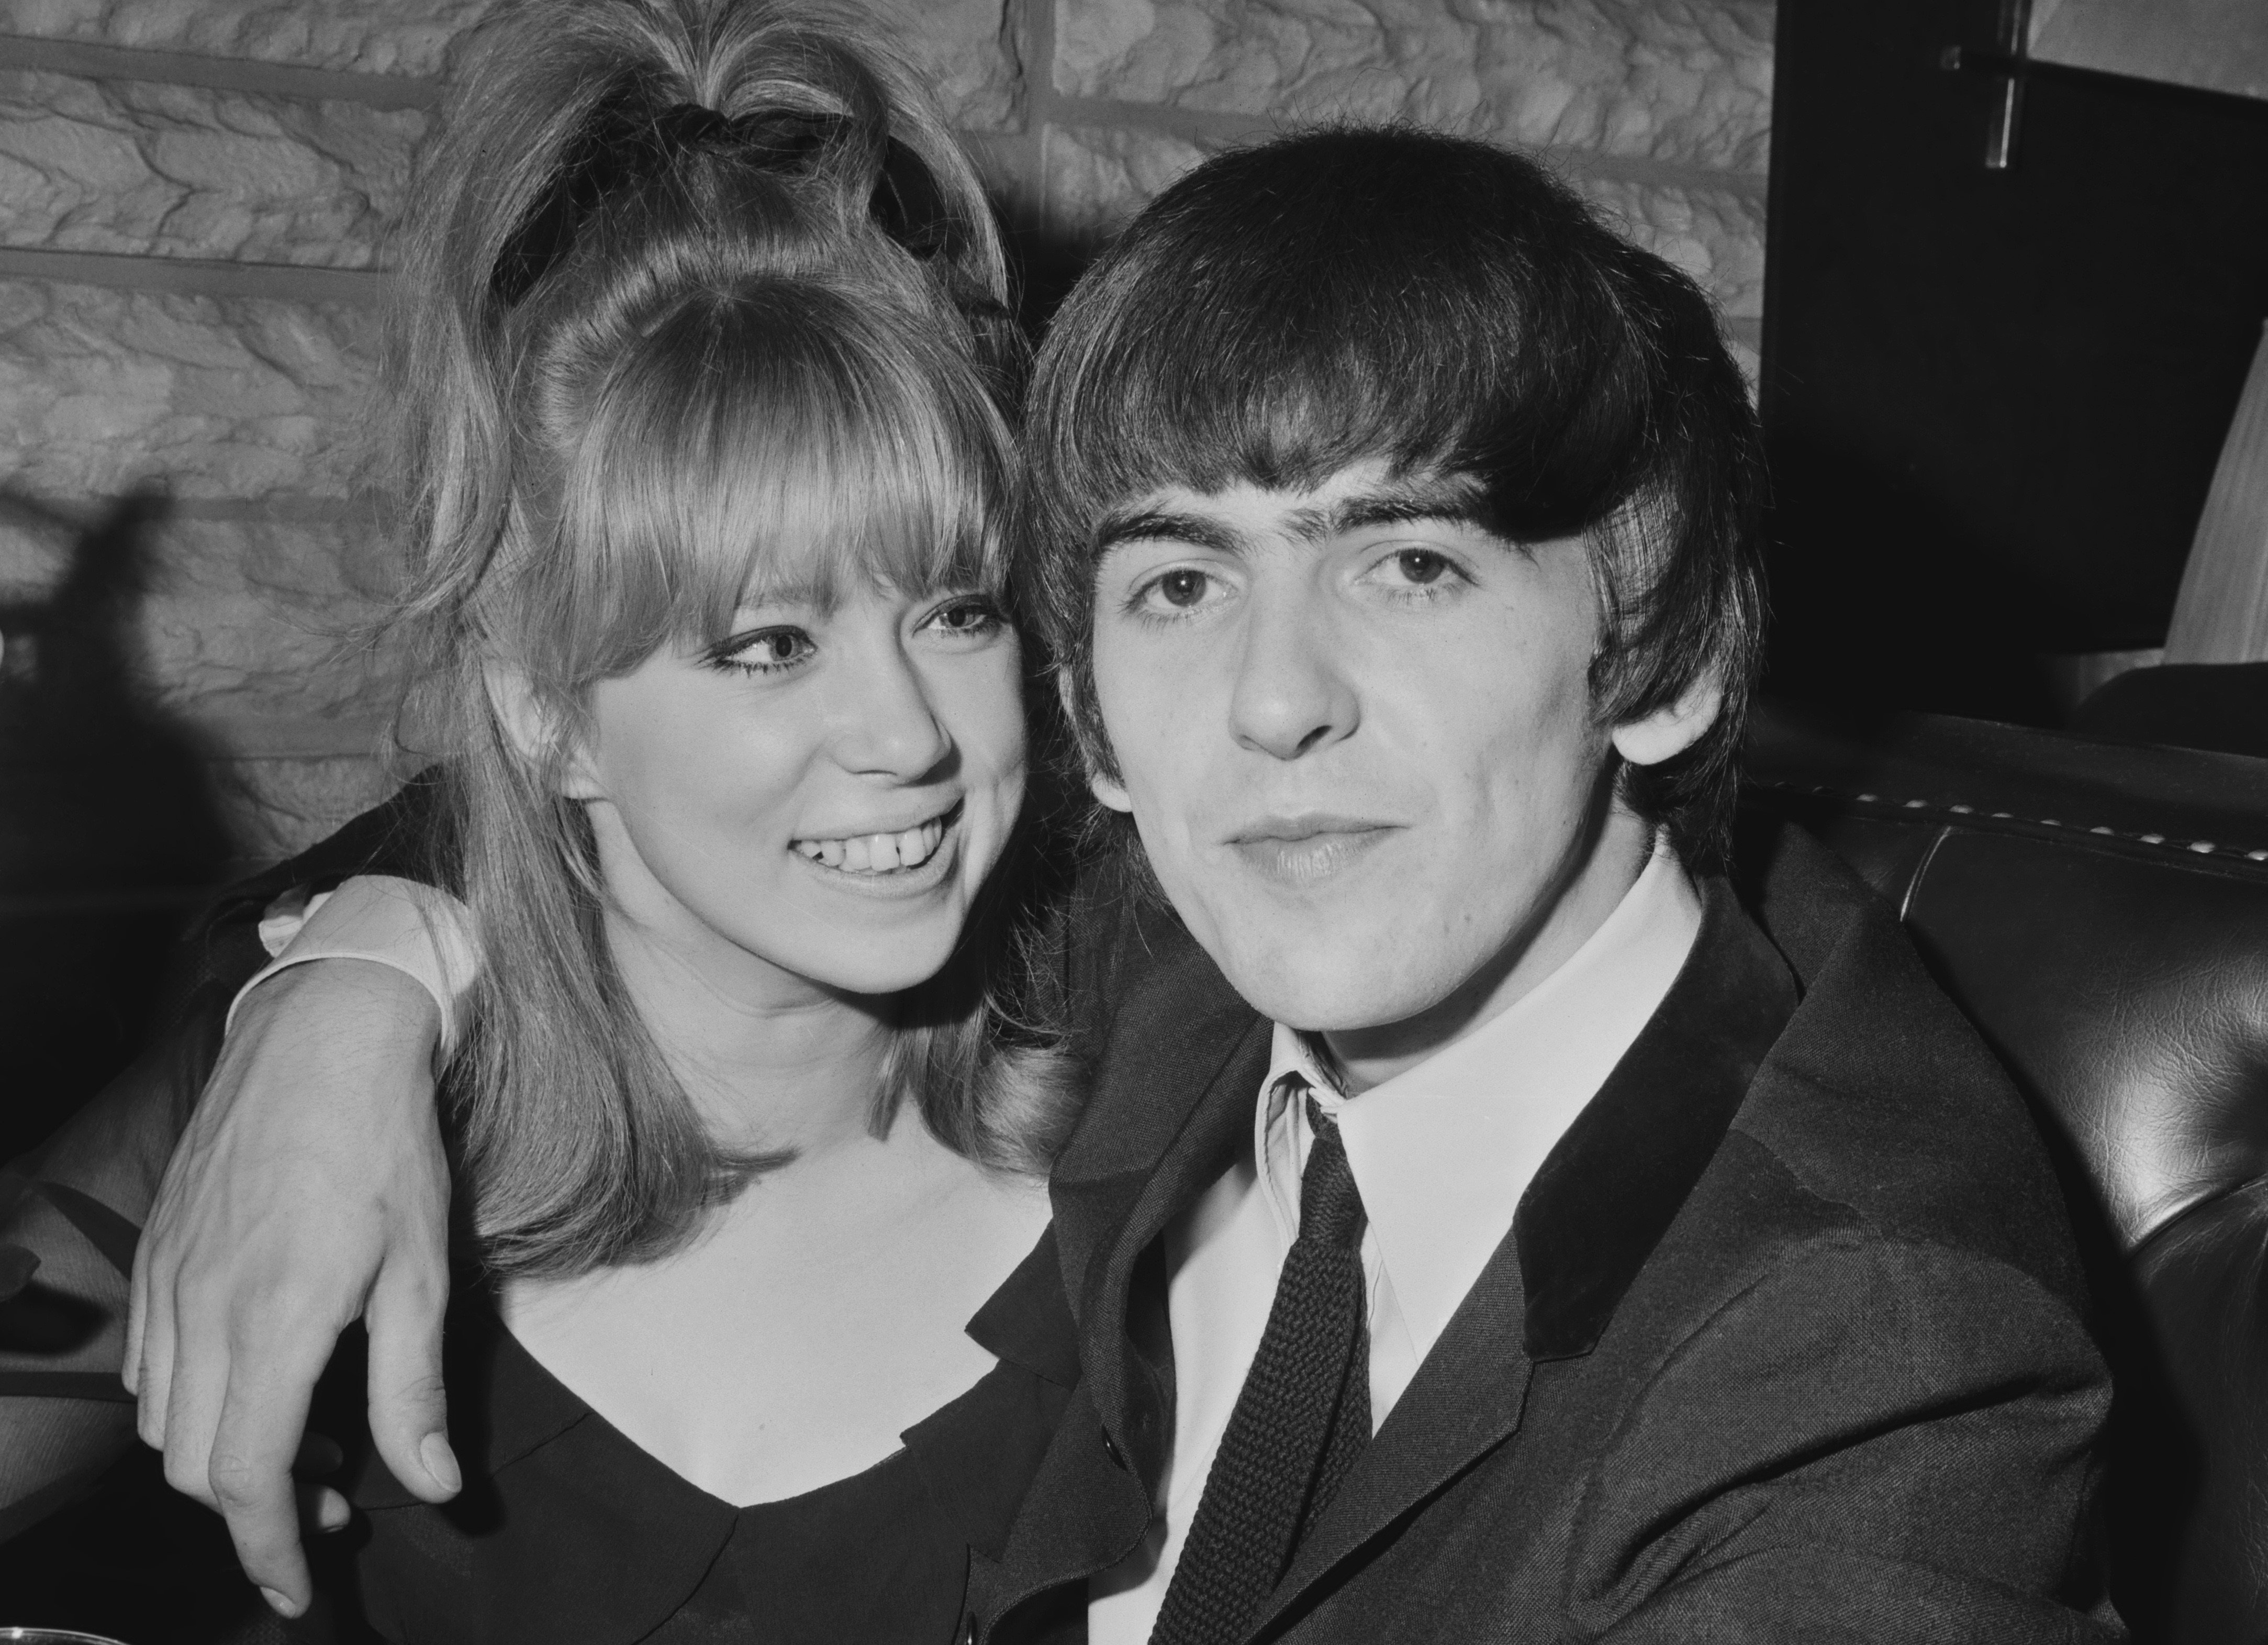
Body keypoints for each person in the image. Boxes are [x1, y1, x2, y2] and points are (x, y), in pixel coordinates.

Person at [121, 130, 2120, 1639]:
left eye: (1407, 561)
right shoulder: (1176, 942)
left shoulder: (1872, 1369)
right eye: (1178, 579)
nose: (1268, 702)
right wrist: (343, 989)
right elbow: (596, 826)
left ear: (1665, 649)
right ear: (1093, 706)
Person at [0, 0, 1093, 1641]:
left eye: (954, 609)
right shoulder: (332, 1142)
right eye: (769, 642)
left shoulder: (1167, 1106)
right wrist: (337, 980)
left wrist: (349, 962)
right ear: (546, 708)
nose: (910, 736)